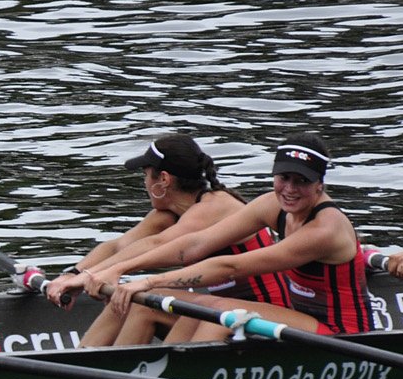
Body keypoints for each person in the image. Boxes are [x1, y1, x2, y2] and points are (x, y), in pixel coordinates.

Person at [88, 133, 372, 340]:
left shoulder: (325, 229)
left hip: (341, 335)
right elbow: (196, 244)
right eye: (284, 178)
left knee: (223, 310)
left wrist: (147, 278)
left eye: (302, 182)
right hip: (299, 321)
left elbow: (230, 267)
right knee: (187, 305)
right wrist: (115, 272)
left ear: (320, 184)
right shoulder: (271, 205)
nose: (289, 189)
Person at [44, 134, 291, 346]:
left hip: (263, 313)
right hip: (219, 307)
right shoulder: (170, 212)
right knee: (130, 299)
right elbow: (118, 246)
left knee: (142, 301)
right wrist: (74, 274)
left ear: (163, 180)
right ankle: (86, 363)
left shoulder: (216, 205)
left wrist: (92, 276)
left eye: (145, 175)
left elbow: (158, 244)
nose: (144, 183)